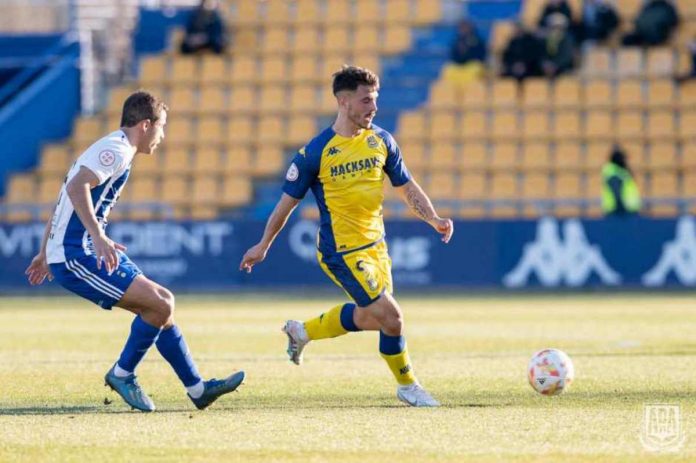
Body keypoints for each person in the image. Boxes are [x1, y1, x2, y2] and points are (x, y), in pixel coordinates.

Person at [239, 65, 454, 407]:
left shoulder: (382, 140)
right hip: (341, 250)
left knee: (375, 317)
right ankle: (408, 386)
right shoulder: (316, 152)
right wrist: (263, 244)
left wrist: (433, 218)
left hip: (376, 247)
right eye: (366, 100)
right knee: (393, 317)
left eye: (375, 99)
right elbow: (286, 204)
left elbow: (407, 186)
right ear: (343, 102)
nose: (374, 107)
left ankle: (302, 331)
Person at [25, 91, 244, 412]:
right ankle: (122, 373)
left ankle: (198, 389)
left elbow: (65, 195)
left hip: (80, 249)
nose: (163, 135)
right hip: (77, 255)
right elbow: (75, 188)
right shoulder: (116, 149)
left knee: (161, 307)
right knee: (159, 304)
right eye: (162, 126)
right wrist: (94, 236)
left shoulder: (114, 147)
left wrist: (44, 251)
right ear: (145, 124)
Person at [443, 19, 486, 86]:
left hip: (472, 65)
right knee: (448, 69)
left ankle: (471, 91)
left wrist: (467, 52)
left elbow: (481, 56)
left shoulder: (477, 41)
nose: (463, 29)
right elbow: (453, 56)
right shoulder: (456, 41)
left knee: (476, 68)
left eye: (465, 27)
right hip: (458, 66)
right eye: (461, 27)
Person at [601, 145, 641, 216]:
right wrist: (622, 210)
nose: (625, 161)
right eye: (623, 159)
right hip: (619, 212)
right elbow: (616, 192)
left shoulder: (620, 171)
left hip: (626, 210)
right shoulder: (614, 172)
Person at [540, 13, 576, 78]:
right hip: (545, 69)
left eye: (558, 27)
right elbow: (541, 54)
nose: (555, 29)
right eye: (553, 27)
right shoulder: (545, 39)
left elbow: (566, 56)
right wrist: (545, 64)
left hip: (562, 69)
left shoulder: (567, 39)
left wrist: (554, 65)